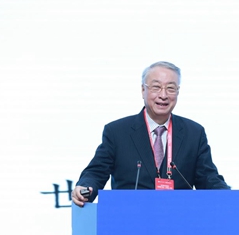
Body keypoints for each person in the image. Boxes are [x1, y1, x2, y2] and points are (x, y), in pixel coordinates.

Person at [71, 61, 230, 206]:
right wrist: (85, 187)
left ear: (178, 92)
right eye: (156, 87)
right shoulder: (117, 132)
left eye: (170, 88)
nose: (163, 95)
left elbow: (208, 178)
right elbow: (96, 172)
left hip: (179, 219)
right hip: (129, 218)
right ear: (143, 90)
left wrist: (229, 197)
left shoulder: (194, 133)